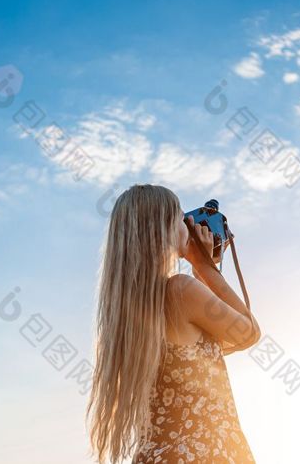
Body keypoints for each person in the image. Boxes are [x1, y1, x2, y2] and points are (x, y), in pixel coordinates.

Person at [86, 184, 262, 463]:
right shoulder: (180, 290)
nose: (190, 225)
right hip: (202, 453)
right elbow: (248, 333)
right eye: (181, 218)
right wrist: (205, 267)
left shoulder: (129, 317)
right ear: (163, 229)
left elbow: (218, 343)